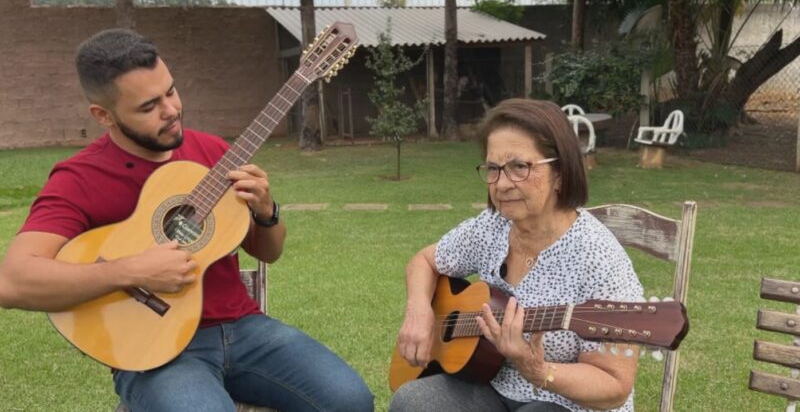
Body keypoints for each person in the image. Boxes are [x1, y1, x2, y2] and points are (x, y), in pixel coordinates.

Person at [0, 29, 373, 412]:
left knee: (351, 400)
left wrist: (266, 212)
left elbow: (269, 251)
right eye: (149, 107)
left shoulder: (214, 152)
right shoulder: (79, 179)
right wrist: (131, 271)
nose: (172, 110)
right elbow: (12, 283)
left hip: (244, 328)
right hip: (155, 350)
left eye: (171, 91)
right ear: (103, 115)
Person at [390, 99, 644, 412]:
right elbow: (425, 261)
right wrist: (418, 311)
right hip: (493, 384)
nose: (502, 184)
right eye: (493, 169)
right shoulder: (493, 226)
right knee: (412, 403)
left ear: (560, 172)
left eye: (519, 167)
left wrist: (537, 370)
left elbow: (615, 387)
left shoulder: (598, 259)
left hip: (567, 403)